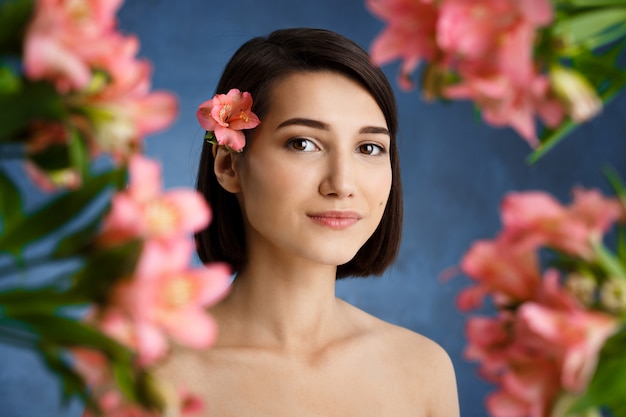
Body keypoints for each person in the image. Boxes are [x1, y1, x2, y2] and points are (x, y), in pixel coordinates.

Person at [158, 28, 459, 417]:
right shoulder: (154, 377)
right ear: (229, 165)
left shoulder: (423, 370)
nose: (342, 184)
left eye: (369, 148)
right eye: (303, 143)